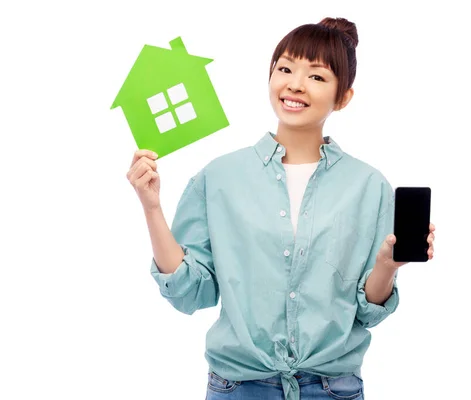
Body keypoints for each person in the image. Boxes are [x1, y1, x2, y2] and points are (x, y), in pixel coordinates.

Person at [126, 16, 435, 400]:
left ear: (344, 97)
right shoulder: (219, 177)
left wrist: (388, 264)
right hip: (237, 388)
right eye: (285, 68)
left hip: (332, 389)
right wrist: (151, 206)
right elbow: (190, 292)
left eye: (317, 77)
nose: (295, 84)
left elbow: (367, 311)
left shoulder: (368, 186)